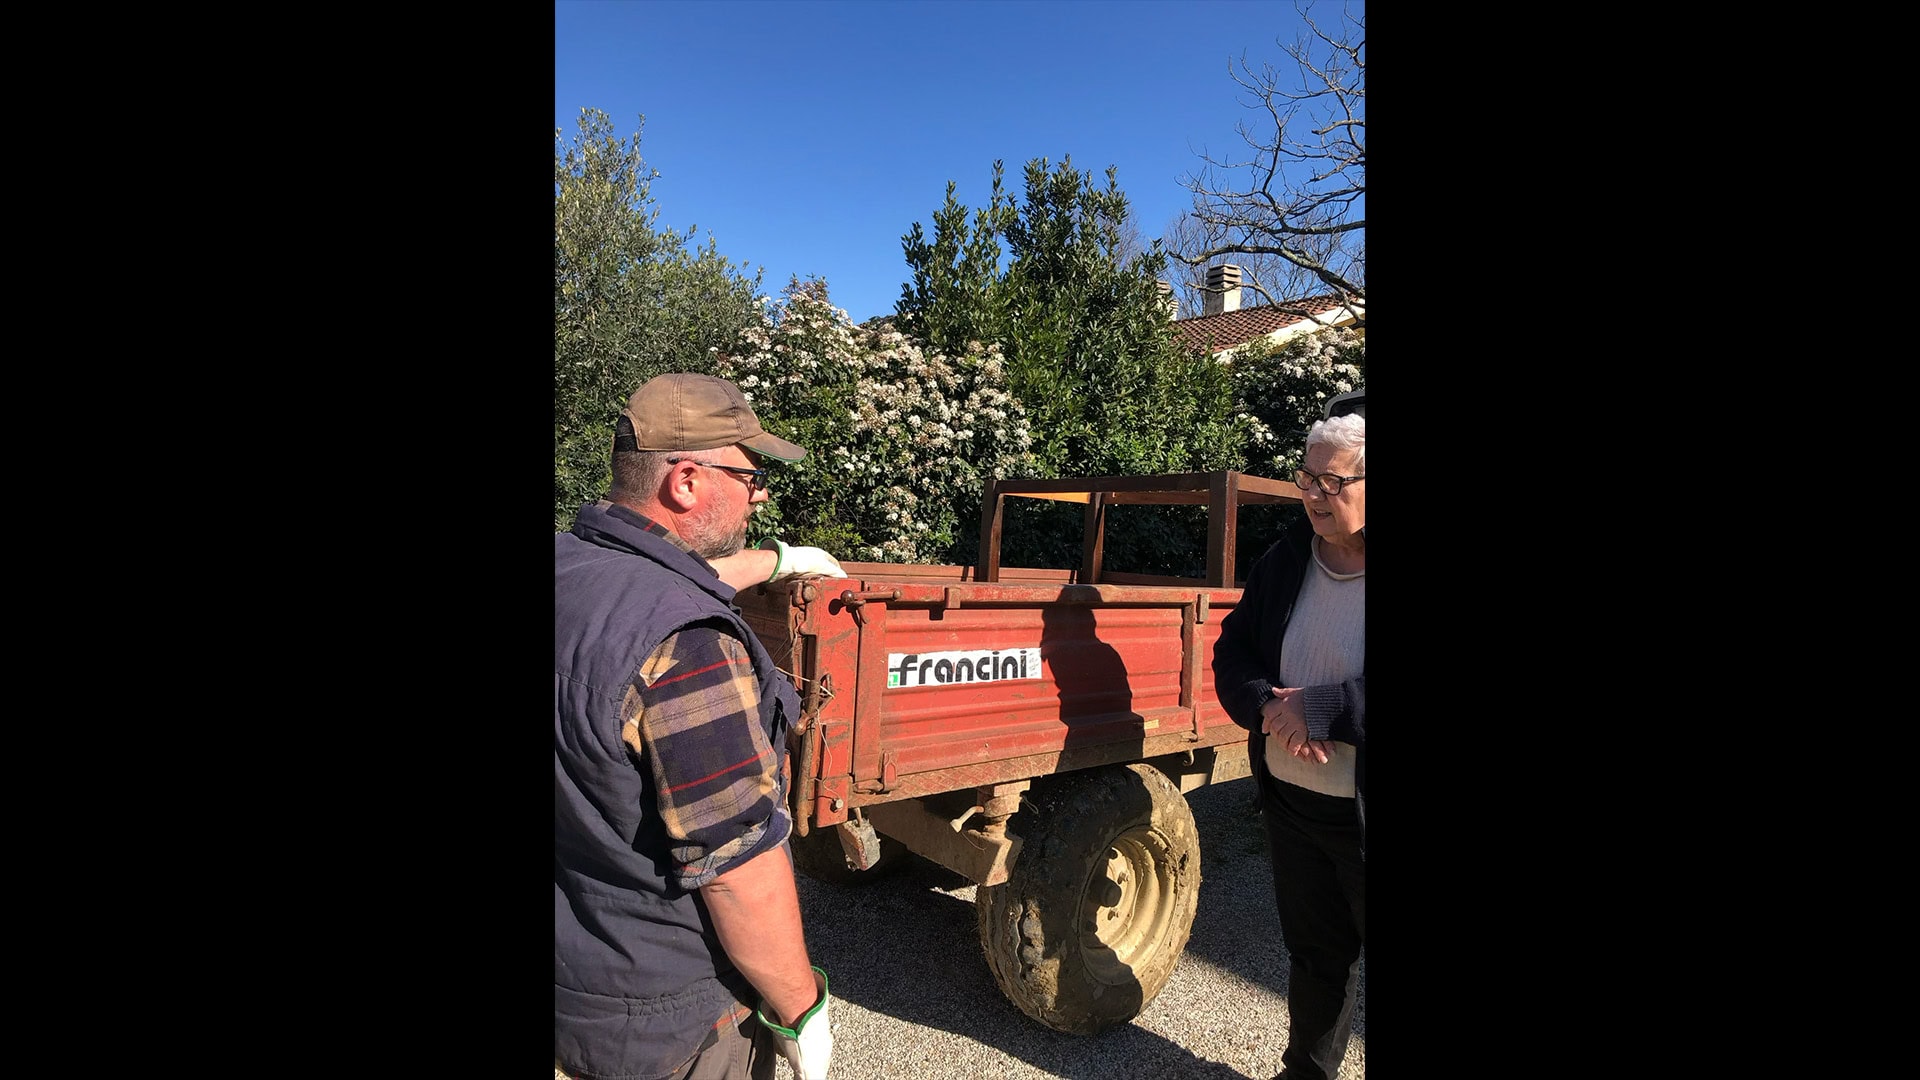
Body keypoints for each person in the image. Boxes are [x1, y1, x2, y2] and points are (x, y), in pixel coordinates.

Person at [555, 372, 845, 1080]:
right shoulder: (688, 649)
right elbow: (739, 871)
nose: (761, 495)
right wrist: (801, 1011)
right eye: (749, 477)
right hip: (667, 1027)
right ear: (686, 481)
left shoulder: (571, 565)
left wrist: (775, 560)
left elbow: (661, 575)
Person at [1212, 388, 1366, 1080]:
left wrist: (1325, 708)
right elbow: (1233, 649)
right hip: (1296, 808)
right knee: (1314, 955)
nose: (1314, 493)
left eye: (1333, 481)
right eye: (1307, 478)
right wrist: (1268, 704)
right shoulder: (1286, 560)